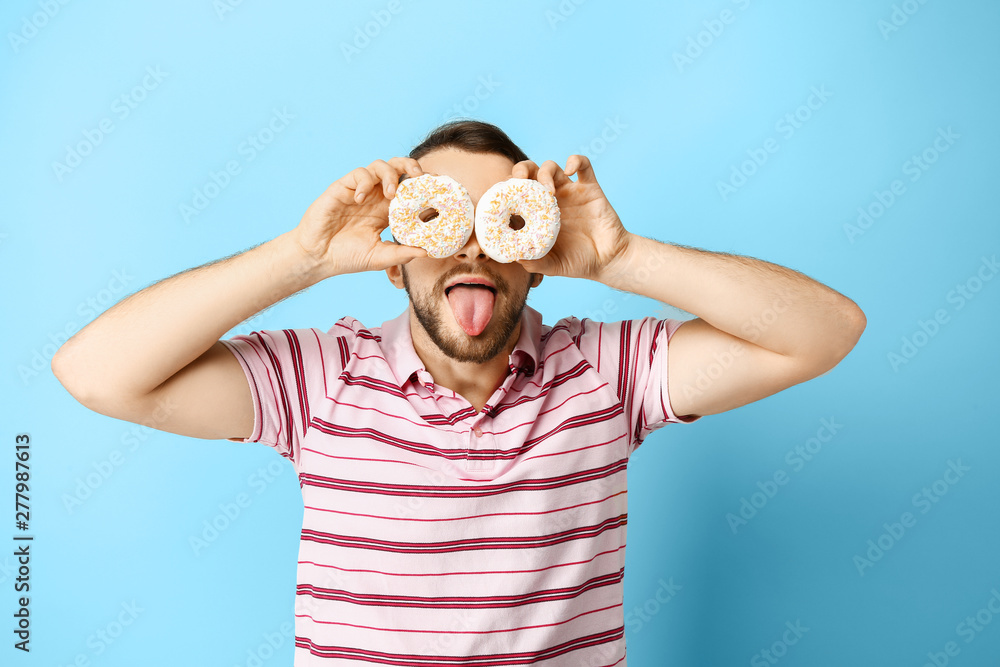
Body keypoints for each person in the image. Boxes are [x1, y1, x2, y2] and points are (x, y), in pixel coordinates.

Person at [52, 120, 866, 665]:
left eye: (503, 222)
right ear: (398, 253)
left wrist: (622, 258)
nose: (473, 248)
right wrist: (302, 258)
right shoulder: (320, 379)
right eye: (444, 220)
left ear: (539, 249)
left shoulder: (605, 375)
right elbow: (96, 372)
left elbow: (824, 331)